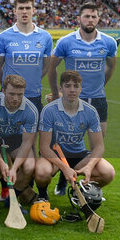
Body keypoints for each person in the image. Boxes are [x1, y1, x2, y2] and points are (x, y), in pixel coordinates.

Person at [35, 70, 114, 201]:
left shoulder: (90, 111)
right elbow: (44, 147)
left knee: (108, 173)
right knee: (42, 173)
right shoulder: (49, 110)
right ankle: (43, 196)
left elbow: (99, 146)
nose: (72, 90)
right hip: (55, 155)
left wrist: (89, 167)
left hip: (78, 155)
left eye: (76, 86)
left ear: (81, 89)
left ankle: (80, 193)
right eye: (68, 86)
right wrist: (64, 168)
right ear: (61, 88)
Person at [49, 2, 117, 136]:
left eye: (93, 16)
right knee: (68, 142)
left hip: (98, 99)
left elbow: (111, 65)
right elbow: (51, 67)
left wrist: (101, 84)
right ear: (79, 18)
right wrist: (56, 92)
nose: (90, 20)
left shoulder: (109, 42)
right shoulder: (66, 42)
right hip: (72, 99)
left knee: (98, 142)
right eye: (86, 16)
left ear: (98, 19)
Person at [0, 75, 38, 206]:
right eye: (11, 94)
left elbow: (27, 142)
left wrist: (14, 168)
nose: (16, 99)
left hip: (15, 139)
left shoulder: (31, 110)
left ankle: (12, 198)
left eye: (20, 94)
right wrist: (1, 162)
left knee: (29, 167)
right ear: (3, 91)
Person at [0, 0, 55, 118]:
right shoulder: (4, 37)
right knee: (8, 134)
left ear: (34, 10)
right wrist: (9, 86)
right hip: (9, 95)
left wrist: (33, 80)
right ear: (15, 11)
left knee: (32, 135)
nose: (24, 11)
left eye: (28, 8)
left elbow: (45, 67)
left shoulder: (45, 37)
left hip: (34, 95)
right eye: (21, 8)